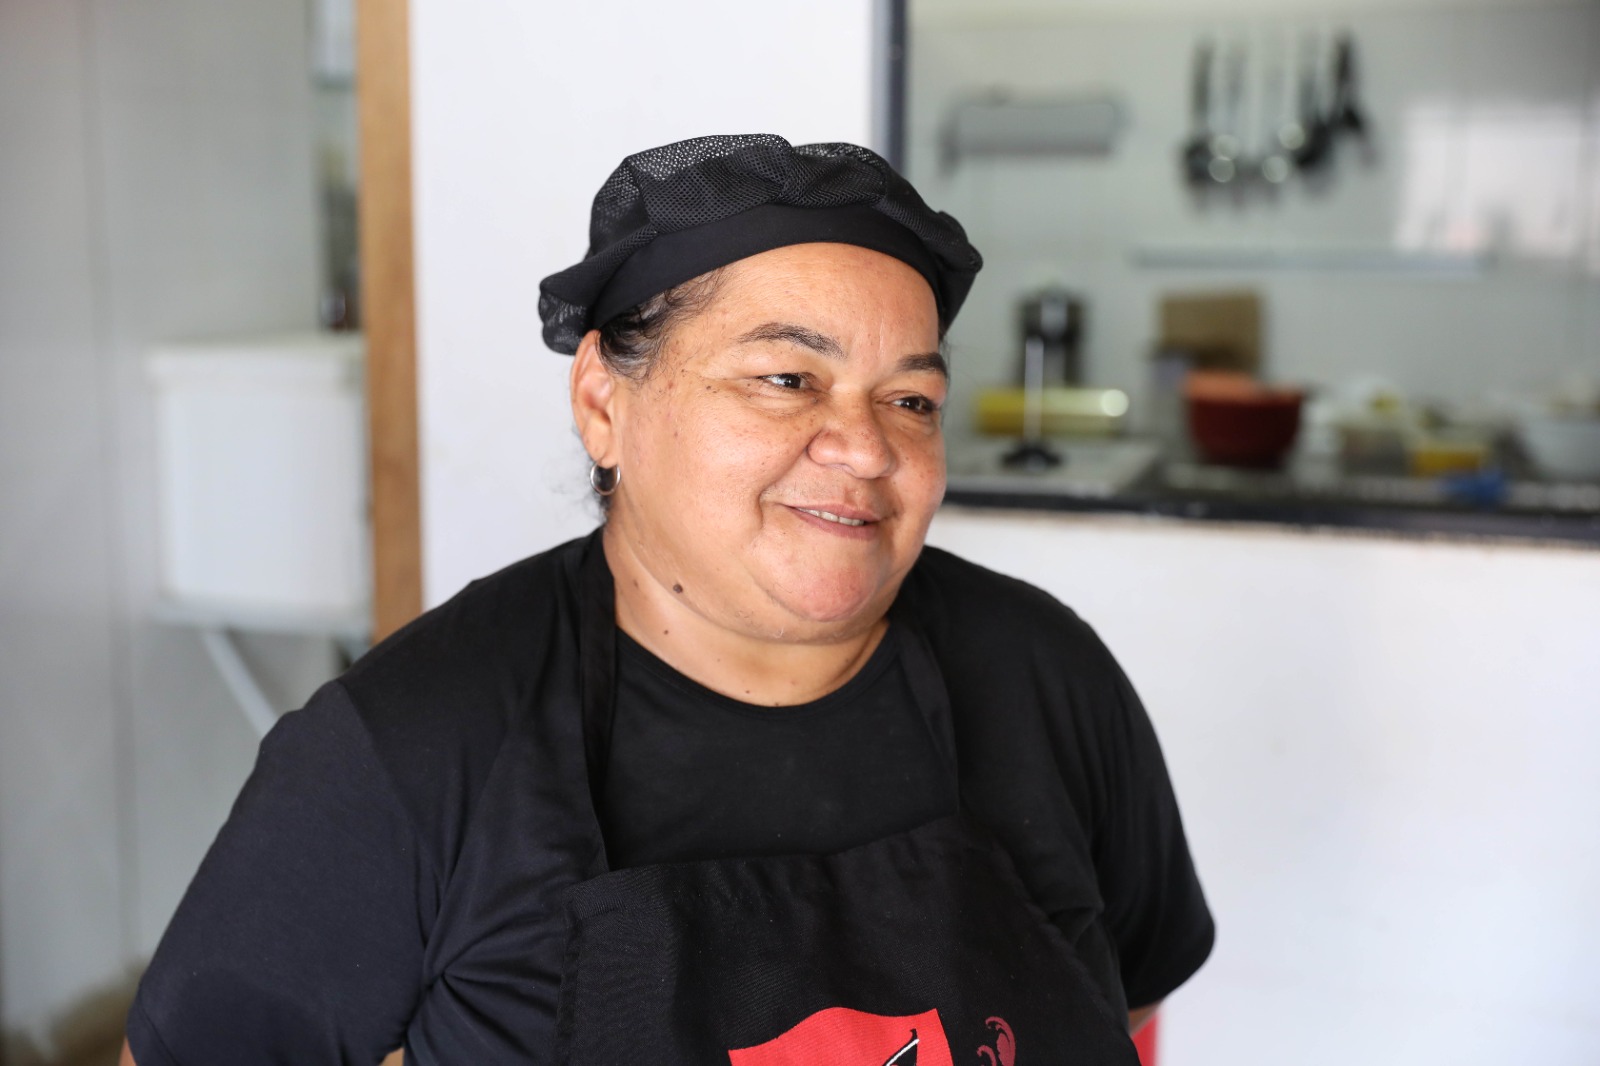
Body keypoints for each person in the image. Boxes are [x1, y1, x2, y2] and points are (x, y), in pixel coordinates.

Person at [123, 134, 1212, 1065]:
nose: (866, 447)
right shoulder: (412, 744)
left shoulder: (1042, 672)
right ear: (604, 403)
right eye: (786, 379)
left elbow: (1124, 1007)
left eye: (911, 399)